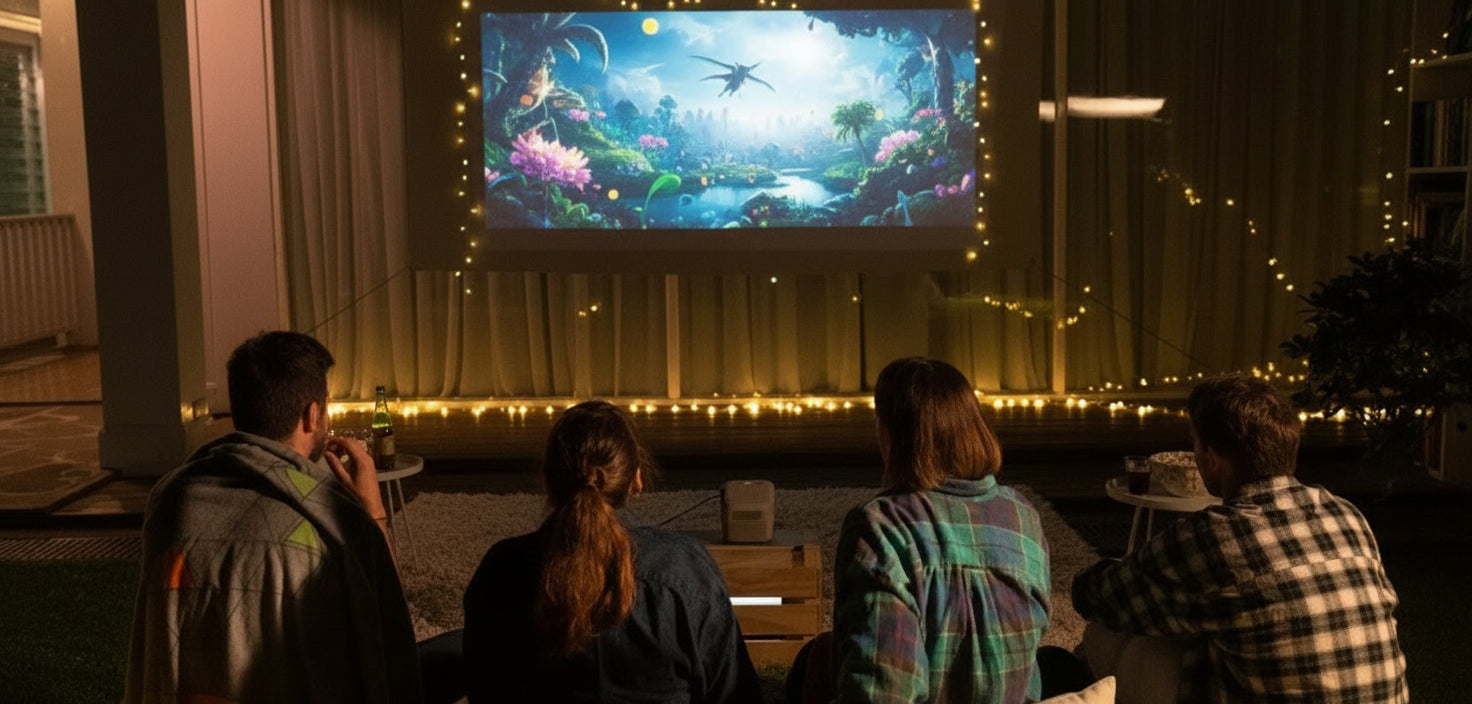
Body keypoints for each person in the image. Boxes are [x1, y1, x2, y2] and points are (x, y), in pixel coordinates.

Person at [124, 331, 422, 703]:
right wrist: (373, 513)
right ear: (312, 415)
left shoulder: (171, 498)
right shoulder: (338, 518)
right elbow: (387, 630)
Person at [1071, 374, 1408, 702]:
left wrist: (1124, 572)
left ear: (1213, 457)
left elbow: (1095, 597)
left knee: (1117, 637)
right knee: (1213, 626)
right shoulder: (1346, 514)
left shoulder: (1214, 535)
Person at [462, 400, 762, 703]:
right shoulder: (686, 570)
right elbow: (735, 694)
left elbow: (484, 689)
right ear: (636, 479)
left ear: (549, 480)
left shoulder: (500, 570)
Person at [826, 357, 1052, 703]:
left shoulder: (881, 528)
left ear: (892, 434)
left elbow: (883, 690)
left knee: (813, 665)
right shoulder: (1023, 517)